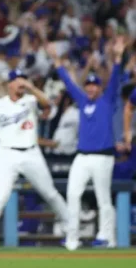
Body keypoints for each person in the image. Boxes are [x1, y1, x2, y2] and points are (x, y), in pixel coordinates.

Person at [0, 69, 69, 252]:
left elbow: (47, 107)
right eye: (17, 80)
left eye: (23, 79)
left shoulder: (30, 101)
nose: (21, 82)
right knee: (0, 197)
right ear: (9, 84)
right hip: (7, 154)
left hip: (31, 152)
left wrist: (31, 87)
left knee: (51, 194)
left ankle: (72, 231)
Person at [48, 38, 126, 250]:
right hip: (81, 156)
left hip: (103, 156)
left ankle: (107, 237)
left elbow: (115, 80)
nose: (91, 89)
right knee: (73, 194)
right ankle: (72, 238)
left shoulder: (107, 100)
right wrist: (56, 60)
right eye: (89, 86)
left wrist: (117, 58)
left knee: (103, 197)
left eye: (94, 86)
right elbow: (68, 83)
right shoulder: (83, 101)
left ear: (99, 88)